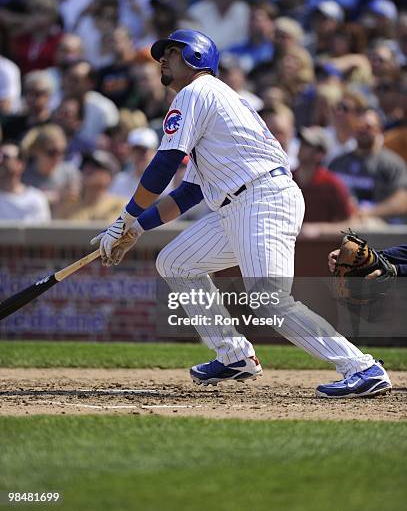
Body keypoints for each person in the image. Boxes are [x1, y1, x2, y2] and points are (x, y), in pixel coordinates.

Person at [91, 29, 392, 399]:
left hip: (261, 198)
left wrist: (125, 217)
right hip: (241, 203)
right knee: (175, 262)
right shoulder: (212, 104)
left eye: (171, 52)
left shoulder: (196, 91)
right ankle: (234, 355)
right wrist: (136, 228)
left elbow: (164, 164)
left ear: (197, 58)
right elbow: (189, 193)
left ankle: (361, 367)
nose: (162, 60)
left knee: (269, 300)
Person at [0, 142, 50, 222]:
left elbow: (42, 232)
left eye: (5, 157)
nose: (1, 161)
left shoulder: (36, 199)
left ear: (20, 164)